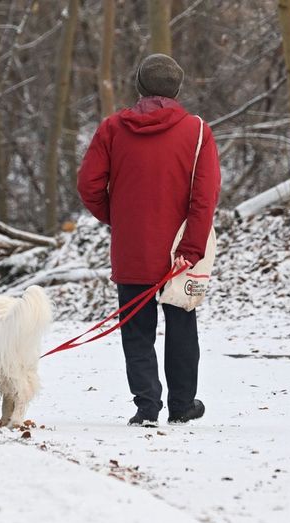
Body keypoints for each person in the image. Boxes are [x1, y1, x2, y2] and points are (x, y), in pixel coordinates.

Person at [77, 54, 220, 427]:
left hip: (132, 248)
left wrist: (118, 218)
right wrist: (192, 247)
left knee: (136, 330)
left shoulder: (112, 128)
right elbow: (204, 198)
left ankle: (146, 406)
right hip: (179, 250)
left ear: (138, 86)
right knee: (182, 325)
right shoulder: (198, 132)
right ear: (177, 89)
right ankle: (182, 404)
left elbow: (88, 185)